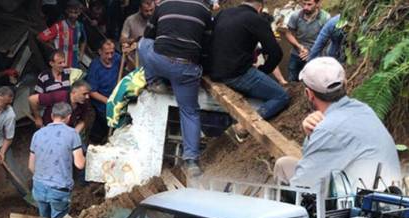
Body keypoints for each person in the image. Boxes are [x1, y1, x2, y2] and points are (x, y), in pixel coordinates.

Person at [273, 57, 401, 189]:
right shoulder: (364, 109)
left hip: (365, 204)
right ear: (345, 84)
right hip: (387, 193)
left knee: (294, 188)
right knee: (285, 165)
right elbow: (313, 161)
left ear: (309, 94)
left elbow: (303, 186)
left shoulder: (329, 129)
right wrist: (311, 135)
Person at [138, 0, 212, 177]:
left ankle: (155, 81)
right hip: (186, 69)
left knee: (143, 43)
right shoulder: (205, 10)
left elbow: (149, 34)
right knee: (190, 112)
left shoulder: (164, 5)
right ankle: (191, 162)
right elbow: (207, 46)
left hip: (160, 62)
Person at [209, 0, 290, 138]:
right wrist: (264, 70)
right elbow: (276, 53)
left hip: (213, 70)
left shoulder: (223, 13)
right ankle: (244, 126)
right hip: (236, 74)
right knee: (281, 96)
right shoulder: (256, 19)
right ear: (260, 8)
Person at [29, 102, 86, 218]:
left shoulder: (37, 134)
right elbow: (80, 164)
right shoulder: (72, 134)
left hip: (38, 187)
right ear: (69, 117)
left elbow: (31, 166)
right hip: (59, 189)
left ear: (51, 116)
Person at [29, 80, 94, 143]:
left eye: (88, 94)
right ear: (74, 92)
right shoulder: (59, 96)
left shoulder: (84, 103)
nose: (87, 97)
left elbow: (82, 120)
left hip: (67, 131)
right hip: (49, 128)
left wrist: (74, 133)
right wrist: (38, 118)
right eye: (84, 94)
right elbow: (32, 99)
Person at [284, 0, 330, 81]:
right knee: (292, 79)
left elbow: (328, 40)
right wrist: (299, 46)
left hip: (316, 55)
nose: (305, 7)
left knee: (313, 81)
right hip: (297, 52)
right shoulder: (296, 16)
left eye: (309, 4)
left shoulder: (325, 18)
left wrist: (312, 52)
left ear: (318, 4)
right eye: (303, 4)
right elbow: (288, 33)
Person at [87, 39, 121, 143]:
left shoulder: (117, 58)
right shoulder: (95, 67)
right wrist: (109, 101)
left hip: (115, 100)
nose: (110, 56)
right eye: (107, 53)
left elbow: (129, 65)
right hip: (101, 106)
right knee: (100, 130)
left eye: (112, 52)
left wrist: (128, 54)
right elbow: (92, 91)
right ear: (100, 52)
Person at [38, 0, 88, 69]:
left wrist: (81, 54)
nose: (73, 15)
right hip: (61, 65)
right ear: (67, 11)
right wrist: (54, 48)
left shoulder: (80, 26)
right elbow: (40, 37)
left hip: (75, 64)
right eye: (71, 12)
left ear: (79, 12)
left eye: (75, 12)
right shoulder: (59, 26)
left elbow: (83, 40)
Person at [120, 0, 155, 69]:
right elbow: (122, 40)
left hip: (151, 63)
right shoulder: (130, 20)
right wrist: (134, 40)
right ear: (140, 9)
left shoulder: (156, 19)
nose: (149, 13)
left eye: (151, 10)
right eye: (146, 11)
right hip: (134, 62)